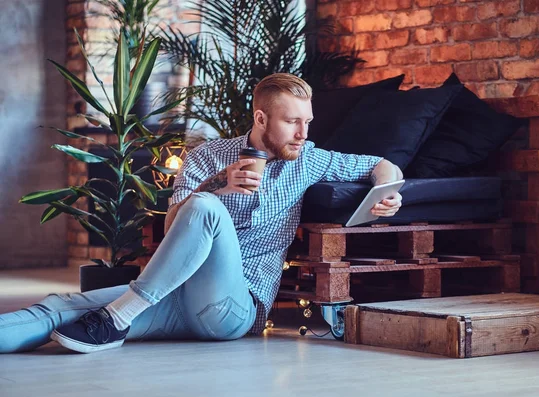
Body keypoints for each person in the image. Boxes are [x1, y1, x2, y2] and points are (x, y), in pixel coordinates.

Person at [0, 73, 402, 354]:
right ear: (261, 118)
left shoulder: (309, 160)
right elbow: (173, 226)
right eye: (293, 122)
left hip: (235, 308)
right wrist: (218, 183)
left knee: (204, 209)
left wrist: (387, 193)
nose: (303, 133)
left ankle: (117, 316)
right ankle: (115, 317)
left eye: (307, 122)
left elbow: (381, 164)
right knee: (57, 309)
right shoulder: (207, 156)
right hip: (172, 296)